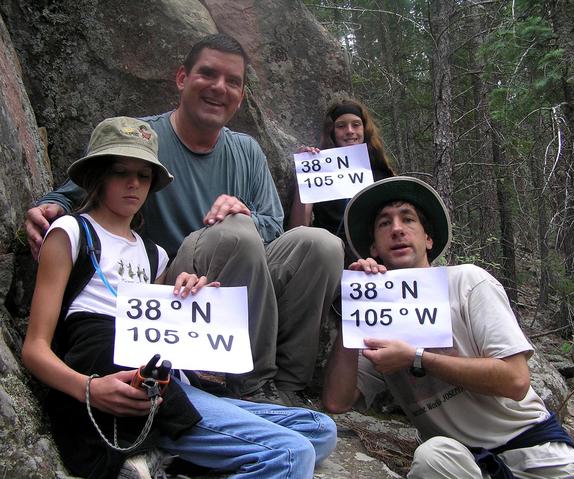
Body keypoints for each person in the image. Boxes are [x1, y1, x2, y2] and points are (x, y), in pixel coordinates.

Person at [24, 33, 344, 406]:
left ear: (241, 96)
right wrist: (51, 206)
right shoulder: (144, 138)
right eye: (208, 74)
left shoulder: (247, 150)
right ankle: (251, 386)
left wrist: (242, 211)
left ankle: (285, 391)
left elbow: (274, 223)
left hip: (238, 279)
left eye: (233, 82)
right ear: (182, 78)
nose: (219, 88)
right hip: (171, 286)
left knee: (322, 245)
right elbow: (85, 188)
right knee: (235, 233)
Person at [22, 116, 337, 479]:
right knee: (291, 453)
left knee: (319, 429)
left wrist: (189, 294)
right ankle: (162, 445)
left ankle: (160, 450)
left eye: (143, 176)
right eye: (120, 172)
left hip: (171, 381)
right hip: (116, 376)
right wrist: (89, 389)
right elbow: (35, 348)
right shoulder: (72, 232)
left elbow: (165, 330)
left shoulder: (154, 254)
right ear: (97, 176)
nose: (133, 184)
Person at [322, 176, 574, 478]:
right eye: (384, 223)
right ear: (374, 246)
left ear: (428, 239)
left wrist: (417, 357)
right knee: (431, 456)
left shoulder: (467, 281)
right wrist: (354, 309)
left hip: (534, 454)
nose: (397, 228)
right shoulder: (377, 313)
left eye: (408, 219)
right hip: (459, 462)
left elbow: (515, 381)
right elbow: (337, 400)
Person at [288, 99, 395, 263]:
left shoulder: (381, 175)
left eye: (356, 124)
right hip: (328, 259)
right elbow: (298, 230)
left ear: (364, 129)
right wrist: (304, 177)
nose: (350, 131)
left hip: (374, 261)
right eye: (341, 126)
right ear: (332, 132)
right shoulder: (319, 171)